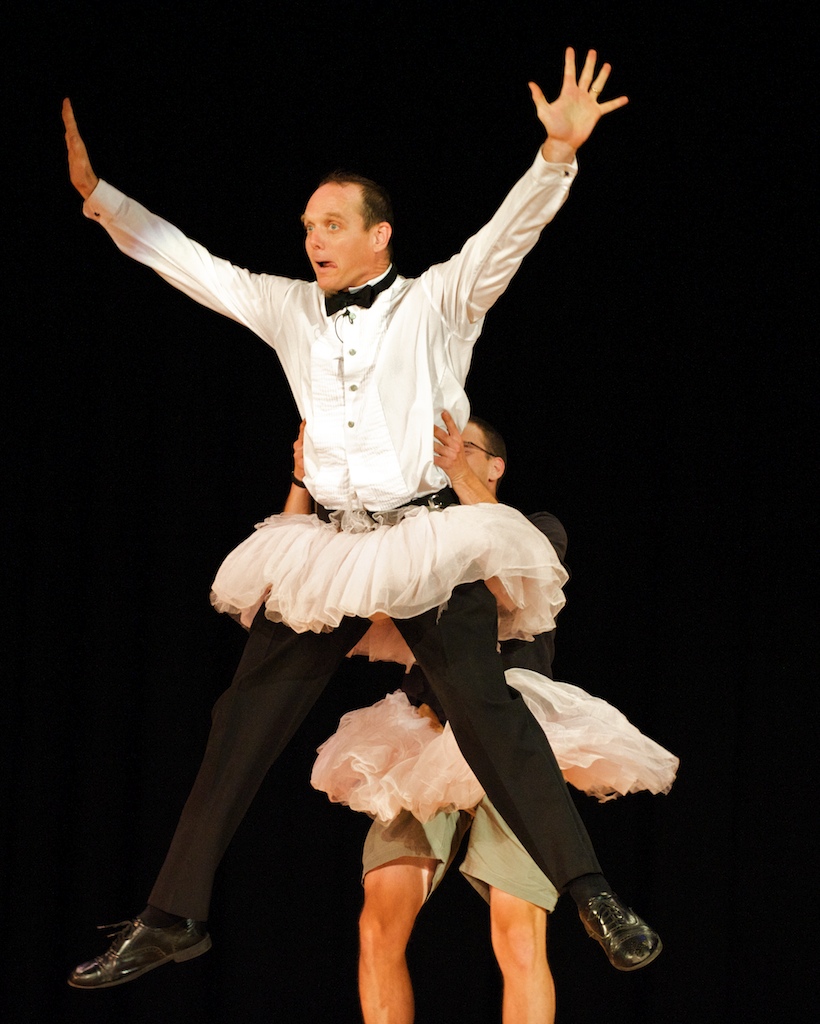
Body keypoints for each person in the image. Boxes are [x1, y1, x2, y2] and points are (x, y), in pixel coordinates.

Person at [63, 49, 659, 991]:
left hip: (424, 541)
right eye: (308, 225)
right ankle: (173, 917)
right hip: (335, 549)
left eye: (333, 224)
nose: (314, 238)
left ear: (381, 236)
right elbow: (193, 266)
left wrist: (556, 156)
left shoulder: (435, 304)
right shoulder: (290, 309)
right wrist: (102, 200)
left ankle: (593, 895)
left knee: (488, 715)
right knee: (241, 718)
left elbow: (506, 239)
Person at [308, 415, 677, 1023]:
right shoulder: (416, 542)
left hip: (512, 737)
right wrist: (310, 485)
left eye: (462, 446)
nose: (444, 453)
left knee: (518, 934)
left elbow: (515, 580)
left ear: (495, 465)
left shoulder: (537, 529)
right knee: (378, 924)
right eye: (436, 447)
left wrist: (458, 474)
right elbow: (343, 596)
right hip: (424, 737)